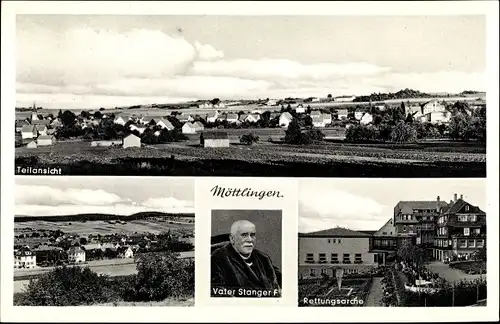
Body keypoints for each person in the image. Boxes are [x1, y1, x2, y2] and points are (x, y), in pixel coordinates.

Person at [211, 220, 281, 297]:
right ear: (232, 239)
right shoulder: (219, 258)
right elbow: (218, 293)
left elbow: (276, 287)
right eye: (244, 235)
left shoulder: (263, 258)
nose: (250, 240)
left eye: (252, 235)